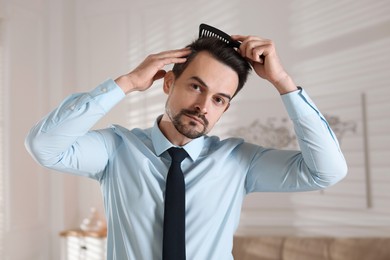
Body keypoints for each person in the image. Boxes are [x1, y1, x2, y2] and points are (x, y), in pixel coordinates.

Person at [25, 33, 347, 259]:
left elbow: (327, 172)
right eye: (196, 86)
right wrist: (126, 83)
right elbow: (44, 145)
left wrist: (283, 82)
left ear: (224, 108)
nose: (203, 106)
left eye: (219, 99)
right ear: (168, 83)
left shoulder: (239, 161)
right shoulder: (115, 149)